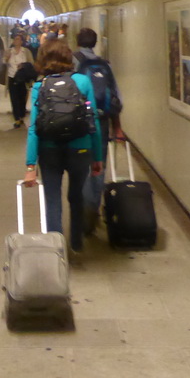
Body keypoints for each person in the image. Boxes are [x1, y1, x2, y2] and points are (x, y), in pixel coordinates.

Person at [23, 39, 104, 261]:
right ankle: (76, 243)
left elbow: (33, 129)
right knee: (76, 196)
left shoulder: (40, 87)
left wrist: (30, 165)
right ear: (68, 58)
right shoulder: (83, 82)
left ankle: (55, 249)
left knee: (52, 198)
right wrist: (97, 157)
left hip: (50, 150)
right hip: (80, 149)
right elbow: (93, 121)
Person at [74, 27, 126, 234]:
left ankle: (82, 208)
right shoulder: (105, 65)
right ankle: (92, 208)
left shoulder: (72, 62)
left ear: (78, 41)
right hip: (101, 122)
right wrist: (118, 128)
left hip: (78, 122)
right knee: (98, 165)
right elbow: (116, 98)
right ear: (95, 43)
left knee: (79, 165)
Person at [4, 33, 35, 128]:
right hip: (12, 77)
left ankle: (21, 115)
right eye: (15, 39)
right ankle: (17, 118)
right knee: (14, 98)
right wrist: (7, 58)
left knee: (22, 97)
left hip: (22, 78)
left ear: (21, 41)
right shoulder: (9, 51)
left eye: (18, 39)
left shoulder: (26, 51)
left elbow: (31, 64)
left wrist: (23, 65)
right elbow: (3, 62)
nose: (16, 41)